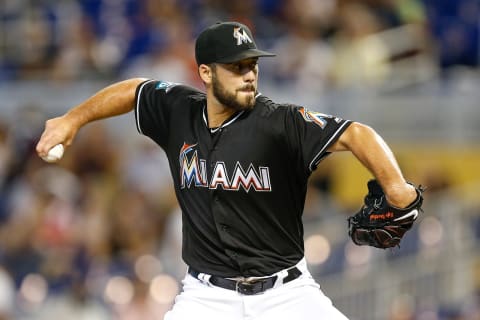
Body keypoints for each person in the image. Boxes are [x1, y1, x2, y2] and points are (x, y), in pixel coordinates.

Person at [36, 21, 418, 320]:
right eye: (237, 67)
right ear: (206, 72)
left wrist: (397, 188)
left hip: (286, 295)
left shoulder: (280, 123)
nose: (249, 74)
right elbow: (135, 90)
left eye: (252, 64)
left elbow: (357, 134)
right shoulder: (178, 112)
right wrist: (73, 119)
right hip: (206, 298)